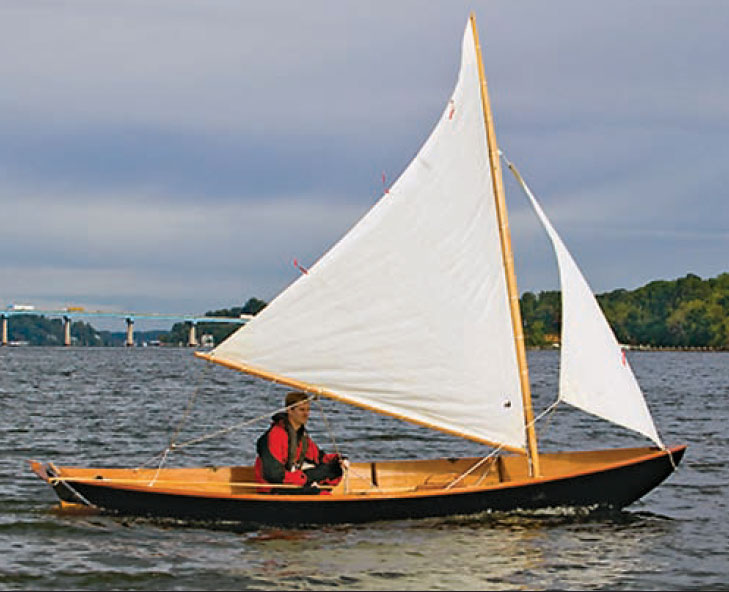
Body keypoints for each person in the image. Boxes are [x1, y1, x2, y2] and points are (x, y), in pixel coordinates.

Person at [254, 391, 344, 494]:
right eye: (302, 410)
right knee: (318, 492)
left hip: (292, 482)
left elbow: (319, 457)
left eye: (308, 410)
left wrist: (338, 459)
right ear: (290, 410)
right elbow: (274, 475)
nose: (306, 414)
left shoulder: (301, 436)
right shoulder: (275, 436)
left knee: (334, 470)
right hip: (273, 489)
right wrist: (306, 478)